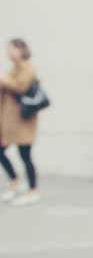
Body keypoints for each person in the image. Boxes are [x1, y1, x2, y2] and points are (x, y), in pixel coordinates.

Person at [0, 39, 41, 206]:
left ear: (20, 50)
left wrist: (3, 80)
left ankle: (33, 190)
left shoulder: (27, 68)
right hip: (11, 122)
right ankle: (16, 182)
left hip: (23, 122)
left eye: (11, 49)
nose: (9, 52)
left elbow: (20, 86)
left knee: (25, 156)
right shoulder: (15, 68)